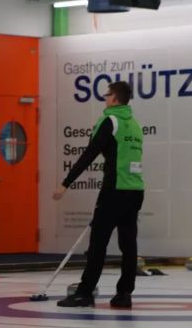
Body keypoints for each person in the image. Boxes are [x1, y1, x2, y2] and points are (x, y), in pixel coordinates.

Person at [54, 81, 144, 309]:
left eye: (107, 95)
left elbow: (90, 154)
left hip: (114, 190)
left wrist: (66, 183)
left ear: (114, 98)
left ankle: (84, 293)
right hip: (135, 191)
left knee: (98, 244)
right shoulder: (133, 124)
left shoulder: (110, 121)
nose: (105, 99)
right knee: (128, 244)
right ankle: (124, 294)